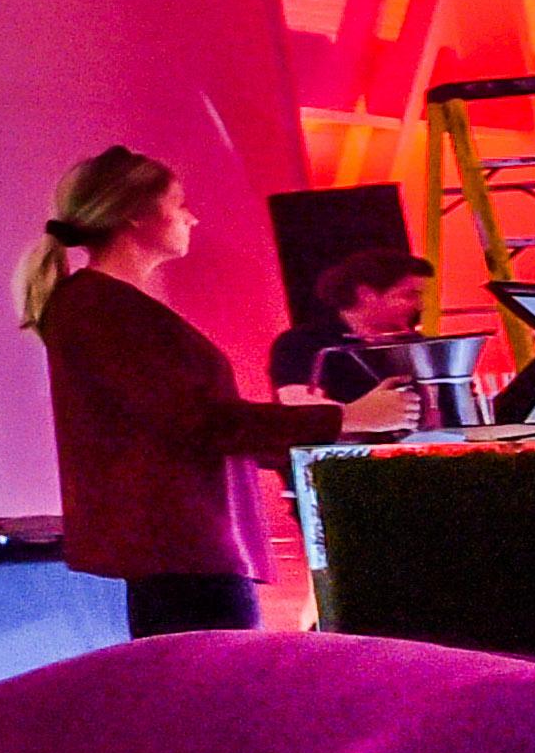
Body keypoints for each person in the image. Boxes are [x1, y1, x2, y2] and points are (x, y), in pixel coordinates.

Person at [23, 147, 411, 634]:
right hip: (183, 548)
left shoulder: (103, 305)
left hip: (184, 547)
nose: (192, 217)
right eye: (179, 203)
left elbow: (192, 421)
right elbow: (198, 421)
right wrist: (346, 418)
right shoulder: (101, 307)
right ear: (136, 215)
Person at [280, 246, 438, 412]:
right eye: (409, 295)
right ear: (366, 295)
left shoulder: (413, 342)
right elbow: (299, 404)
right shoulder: (302, 342)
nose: (420, 306)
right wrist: (367, 415)